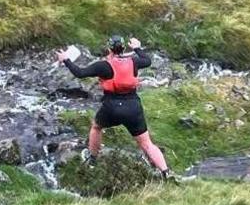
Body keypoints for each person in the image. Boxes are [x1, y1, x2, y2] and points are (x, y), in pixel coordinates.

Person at [56, 35, 172, 179]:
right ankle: (166, 172)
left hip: (112, 108)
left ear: (109, 48)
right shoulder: (133, 62)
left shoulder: (103, 66)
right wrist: (137, 47)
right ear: (123, 48)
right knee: (147, 143)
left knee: (96, 127)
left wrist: (66, 59)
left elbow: (80, 73)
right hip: (133, 107)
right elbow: (147, 61)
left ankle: (92, 159)